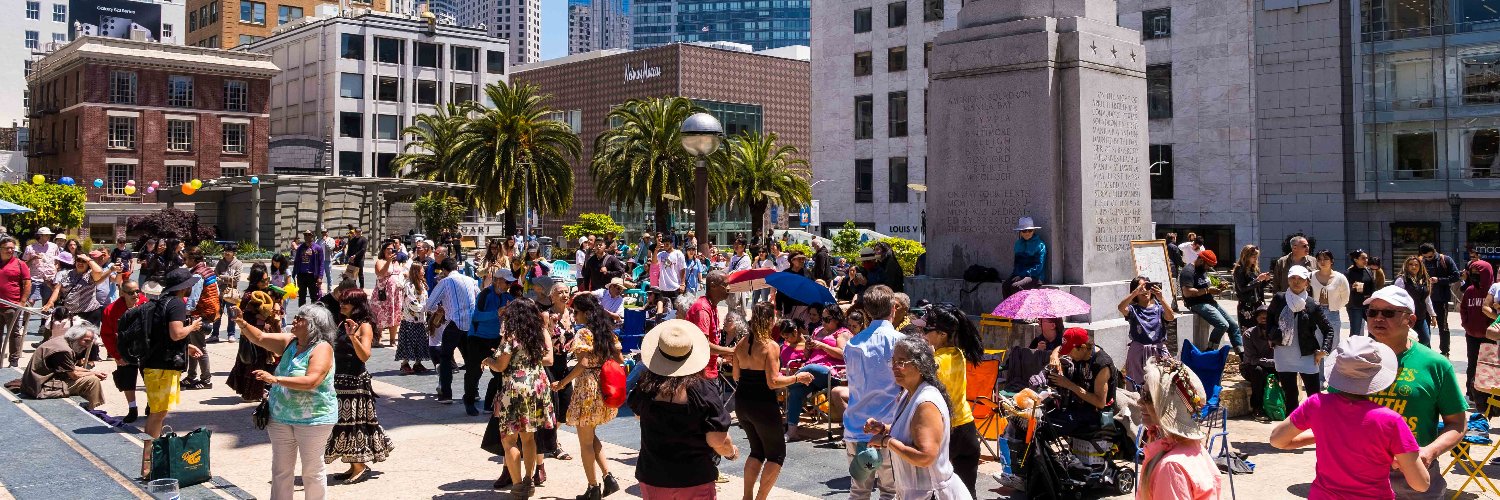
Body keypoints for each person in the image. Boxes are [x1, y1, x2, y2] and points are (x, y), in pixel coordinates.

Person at [1270, 336, 1430, 499]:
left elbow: (1277, 440)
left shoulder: (1316, 404)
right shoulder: (1391, 421)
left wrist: (1325, 435)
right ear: (1377, 374)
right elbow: (1421, 484)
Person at [1363, 285, 1467, 499]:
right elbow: (1333, 413)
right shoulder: (1353, 359)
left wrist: (1430, 452)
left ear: (1410, 320)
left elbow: (1457, 423)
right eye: (1373, 312)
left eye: (1388, 313)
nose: (1378, 318)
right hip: (1360, 473)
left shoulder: (1435, 364)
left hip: (1414, 474)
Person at [237, 303, 339, 500]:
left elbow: (312, 381)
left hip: (314, 419)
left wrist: (275, 380)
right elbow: (259, 338)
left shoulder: (322, 348)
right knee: (281, 470)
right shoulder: (291, 342)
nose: (293, 320)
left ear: (313, 325)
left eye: (299, 318)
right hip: (280, 417)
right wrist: (242, 323)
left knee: (311, 471)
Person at [629, 319, 738, 499]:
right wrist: (731, 452)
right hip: (694, 478)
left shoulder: (646, 387)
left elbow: (639, 414)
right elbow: (717, 440)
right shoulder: (703, 391)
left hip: (653, 475)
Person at [863, 336, 972, 500]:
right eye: (893, 361)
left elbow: (925, 457)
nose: (894, 367)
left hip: (932, 495)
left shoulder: (926, 402)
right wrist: (885, 428)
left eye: (901, 362)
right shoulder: (910, 393)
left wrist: (886, 441)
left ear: (920, 365)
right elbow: (911, 433)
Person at [733, 303, 814, 500]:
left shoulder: (741, 343)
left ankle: (747, 497)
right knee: (776, 455)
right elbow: (773, 382)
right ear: (770, 320)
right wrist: (798, 378)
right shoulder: (770, 346)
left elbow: (736, 376)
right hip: (763, 404)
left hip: (742, 402)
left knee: (757, 451)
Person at [480, 298, 555, 499]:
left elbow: (502, 365)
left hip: (515, 390)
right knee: (529, 437)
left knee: (510, 440)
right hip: (537, 387)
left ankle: (518, 486)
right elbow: (548, 358)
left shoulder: (511, 337)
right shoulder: (538, 335)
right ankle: (529, 480)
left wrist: (489, 361)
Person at [551, 290, 623, 498]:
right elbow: (619, 359)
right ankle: (608, 477)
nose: (574, 316)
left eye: (576, 312)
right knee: (590, 435)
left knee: (585, 442)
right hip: (603, 384)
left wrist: (563, 382)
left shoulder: (584, 333)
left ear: (585, 313)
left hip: (588, 388)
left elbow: (582, 363)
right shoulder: (607, 332)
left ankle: (593, 488)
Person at [139, 268, 206, 478]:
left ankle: (149, 462)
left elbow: (162, 336)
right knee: (158, 414)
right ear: (183, 287)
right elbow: (176, 333)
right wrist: (193, 327)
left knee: (157, 412)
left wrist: (186, 348)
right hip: (163, 368)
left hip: (153, 363)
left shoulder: (162, 301)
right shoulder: (177, 304)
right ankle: (148, 464)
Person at [324, 288, 395, 481]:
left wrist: (353, 337)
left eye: (346, 302)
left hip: (354, 382)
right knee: (341, 424)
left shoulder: (365, 326)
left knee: (354, 425)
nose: (341, 305)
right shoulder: (341, 322)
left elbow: (365, 355)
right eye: (341, 302)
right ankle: (352, 464)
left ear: (357, 305)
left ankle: (360, 465)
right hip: (339, 381)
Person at [844, 285, 905, 499]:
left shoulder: (852, 343)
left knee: (859, 491)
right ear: (893, 308)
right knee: (891, 490)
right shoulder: (899, 341)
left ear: (867, 312)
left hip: (855, 424)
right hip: (887, 428)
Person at [917, 304, 984, 497]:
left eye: (926, 330)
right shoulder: (958, 354)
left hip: (946, 432)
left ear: (941, 333)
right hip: (967, 429)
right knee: (967, 493)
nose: (922, 333)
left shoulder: (936, 361)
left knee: (932, 492)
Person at [1135, 357, 1221, 499]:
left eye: (1147, 396)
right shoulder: (1195, 448)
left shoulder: (1171, 467)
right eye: (1141, 392)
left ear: (1167, 405)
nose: (1139, 401)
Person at [1267, 265, 1335, 412]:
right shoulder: (1279, 299)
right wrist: (1271, 336)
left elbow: (1328, 329)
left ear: (1307, 283)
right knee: (1290, 396)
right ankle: (1291, 431)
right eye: (1292, 278)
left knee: (1314, 397)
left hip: (1307, 356)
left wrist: (1324, 351)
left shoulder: (1312, 304)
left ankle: (1316, 428)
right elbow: (1269, 320)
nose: (1296, 282)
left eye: (1300, 279)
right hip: (1284, 355)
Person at [784, 305, 852, 440]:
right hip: (812, 373)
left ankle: (788, 382)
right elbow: (807, 355)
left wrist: (823, 346)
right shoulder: (817, 330)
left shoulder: (842, 333)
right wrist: (808, 348)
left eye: (828, 319)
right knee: (796, 392)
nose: (824, 322)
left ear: (837, 319)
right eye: (823, 319)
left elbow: (843, 354)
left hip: (831, 372)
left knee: (811, 369)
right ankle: (792, 431)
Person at [425, 258, 479, 404]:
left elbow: (429, 305)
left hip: (454, 323)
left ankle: (446, 394)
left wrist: (439, 308)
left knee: (445, 357)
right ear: (457, 267)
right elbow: (478, 297)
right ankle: (473, 392)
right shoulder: (470, 280)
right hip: (471, 324)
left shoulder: (445, 282)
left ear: (444, 270)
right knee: (471, 359)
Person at [1045, 328, 1117, 435]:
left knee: (1052, 426)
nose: (1068, 355)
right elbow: (1059, 348)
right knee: (1043, 418)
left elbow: (1100, 403)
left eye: (1070, 351)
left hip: (1096, 414)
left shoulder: (1101, 365)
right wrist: (1054, 356)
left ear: (1082, 348)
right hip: (1079, 406)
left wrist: (1068, 385)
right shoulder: (1080, 352)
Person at [20, 323, 106, 410]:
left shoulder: (61, 340)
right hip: (40, 387)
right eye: (86, 341)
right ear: (75, 337)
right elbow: (73, 375)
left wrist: (93, 372)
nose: (87, 346)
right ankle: (91, 410)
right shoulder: (64, 350)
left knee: (90, 377)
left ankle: (89, 407)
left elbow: (69, 367)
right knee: (92, 380)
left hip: (33, 383)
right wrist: (93, 374)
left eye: (90, 342)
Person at [467, 269, 516, 416]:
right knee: (474, 372)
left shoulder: (508, 296)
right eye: (507, 282)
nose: (509, 285)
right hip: (478, 337)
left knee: (501, 372)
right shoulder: (485, 294)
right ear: (497, 280)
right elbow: (475, 317)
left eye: (510, 282)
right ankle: (469, 401)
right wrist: (497, 312)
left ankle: (489, 403)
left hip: (497, 338)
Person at [100, 279, 147, 420]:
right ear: (122, 293)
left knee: (150, 379)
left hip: (145, 349)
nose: (135, 295)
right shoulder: (111, 310)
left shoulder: (146, 304)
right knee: (127, 380)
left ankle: (151, 404)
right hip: (124, 350)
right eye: (131, 292)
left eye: (137, 291)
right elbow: (106, 335)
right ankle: (132, 408)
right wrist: (116, 355)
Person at [1180, 250, 1242, 353]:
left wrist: (1218, 288)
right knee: (1222, 325)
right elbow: (1187, 292)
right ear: (1200, 260)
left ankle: (1242, 355)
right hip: (1196, 303)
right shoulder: (1188, 271)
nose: (1208, 268)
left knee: (1233, 326)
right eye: (1208, 265)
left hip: (1210, 301)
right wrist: (1207, 290)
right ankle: (1210, 351)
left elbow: (1204, 287)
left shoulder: (1202, 270)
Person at [1120, 276, 1176, 387]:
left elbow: (1170, 317)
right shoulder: (1133, 310)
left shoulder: (1159, 308)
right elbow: (1121, 307)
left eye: (1147, 286)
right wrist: (1134, 293)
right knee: (1138, 385)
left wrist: (1161, 298)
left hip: (1158, 351)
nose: (1145, 290)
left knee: (1163, 383)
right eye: (1141, 287)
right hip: (1138, 352)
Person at [685, 271, 736, 381]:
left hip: (710, 371)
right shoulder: (703, 309)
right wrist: (731, 350)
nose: (729, 288)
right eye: (725, 284)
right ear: (713, 286)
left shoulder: (711, 306)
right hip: (701, 375)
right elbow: (704, 345)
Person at [182, 247, 220, 390]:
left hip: (199, 315)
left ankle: (206, 379)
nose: (184, 262)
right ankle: (191, 376)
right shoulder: (208, 270)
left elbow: (194, 298)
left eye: (186, 259)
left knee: (199, 346)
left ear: (193, 259)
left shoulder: (198, 275)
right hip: (208, 312)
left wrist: (185, 314)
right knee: (193, 345)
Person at [1460, 259, 1495, 402]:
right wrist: (1466, 325)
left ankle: (1487, 395)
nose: (1475, 276)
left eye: (1478, 273)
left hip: (1489, 336)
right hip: (1472, 335)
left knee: (1488, 366)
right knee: (1472, 364)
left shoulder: (1493, 291)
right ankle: (1470, 392)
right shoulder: (1469, 291)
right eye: (1473, 273)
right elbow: (1463, 310)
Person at [44, 251, 107, 326]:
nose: (80, 263)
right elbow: (57, 289)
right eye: (78, 260)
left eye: (84, 261)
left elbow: (99, 271)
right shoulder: (67, 274)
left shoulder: (90, 275)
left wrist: (88, 259)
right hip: (71, 314)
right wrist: (51, 301)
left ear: (88, 264)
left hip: (89, 313)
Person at [1420, 243, 1461, 356]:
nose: (1428, 259)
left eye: (1430, 256)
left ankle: (1444, 351)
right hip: (1424, 299)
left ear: (1434, 252)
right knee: (1424, 325)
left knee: (1442, 326)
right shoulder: (1421, 261)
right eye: (1425, 257)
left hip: (1441, 299)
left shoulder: (1445, 259)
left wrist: (1439, 280)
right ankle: (1426, 350)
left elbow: (1456, 276)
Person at [1239, 304, 1276, 422]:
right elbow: (1252, 359)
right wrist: (1273, 362)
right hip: (1252, 367)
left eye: (1267, 316)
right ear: (1256, 318)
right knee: (1258, 371)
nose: (1264, 318)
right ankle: (1257, 408)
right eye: (1261, 316)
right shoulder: (1248, 334)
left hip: (1274, 364)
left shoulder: (1277, 332)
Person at [395, 258, 431, 375]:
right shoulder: (409, 285)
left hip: (421, 319)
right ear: (416, 271)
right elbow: (412, 302)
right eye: (422, 270)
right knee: (408, 342)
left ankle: (418, 363)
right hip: (410, 319)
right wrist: (425, 308)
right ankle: (405, 363)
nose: (424, 272)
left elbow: (425, 299)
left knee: (420, 341)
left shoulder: (422, 284)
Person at [0, 236, 31, 368]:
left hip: (12, 305)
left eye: (12, 248)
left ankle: (14, 360)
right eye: (7, 248)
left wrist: (22, 302)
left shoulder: (20, 264)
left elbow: (27, 283)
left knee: (14, 334)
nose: (10, 251)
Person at [1394, 256, 1438, 347]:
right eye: (1411, 264)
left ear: (1420, 266)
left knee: (1425, 339)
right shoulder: (1401, 280)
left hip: (1421, 316)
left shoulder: (1423, 280)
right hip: (1407, 317)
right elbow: (1396, 298)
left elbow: (1427, 299)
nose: (1413, 267)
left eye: (1416, 265)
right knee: (1407, 341)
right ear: (1406, 266)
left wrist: (1433, 315)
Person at [22, 227, 59, 335]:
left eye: (49, 235)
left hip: (49, 278)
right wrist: (33, 258)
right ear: (40, 236)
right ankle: (23, 325)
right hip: (35, 277)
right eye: (46, 235)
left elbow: (57, 261)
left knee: (47, 302)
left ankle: (43, 325)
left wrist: (55, 270)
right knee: (30, 302)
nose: (48, 237)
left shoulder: (54, 246)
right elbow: (24, 264)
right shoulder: (30, 248)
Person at [370, 242, 405, 349]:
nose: (391, 251)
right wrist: (388, 261)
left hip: (395, 294)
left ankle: (392, 340)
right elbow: (381, 273)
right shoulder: (380, 261)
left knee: (394, 315)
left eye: (393, 249)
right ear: (384, 250)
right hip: (383, 294)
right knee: (380, 316)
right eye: (388, 249)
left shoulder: (397, 262)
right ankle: (377, 339)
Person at [1310, 250, 1351, 340]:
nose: (1322, 262)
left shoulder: (1340, 278)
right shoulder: (1311, 276)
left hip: (1333, 313)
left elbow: (1345, 298)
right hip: (1315, 313)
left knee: (1333, 343)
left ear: (1332, 261)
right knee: (1317, 342)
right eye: (1319, 259)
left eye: (1326, 259)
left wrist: (1335, 306)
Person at [1004, 217, 1045, 297]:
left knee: (1015, 286)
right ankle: (1008, 308)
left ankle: (1025, 305)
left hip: (1035, 277)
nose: (1027, 233)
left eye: (1030, 230)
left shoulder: (1040, 245)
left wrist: (1023, 274)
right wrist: (1016, 275)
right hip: (1020, 274)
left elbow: (1039, 266)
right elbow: (1017, 263)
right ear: (1020, 232)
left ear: (1033, 231)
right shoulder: (1018, 244)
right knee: (1005, 285)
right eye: (1024, 231)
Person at [1232, 244, 1272, 327]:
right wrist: (1257, 280)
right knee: (1247, 332)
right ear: (1246, 257)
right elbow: (1242, 288)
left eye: (1256, 257)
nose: (1256, 259)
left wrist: (1266, 280)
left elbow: (1259, 287)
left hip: (1257, 304)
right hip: (1246, 305)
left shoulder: (1254, 269)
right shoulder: (1239, 269)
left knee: (1260, 330)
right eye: (1253, 257)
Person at [211, 245, 243, 343]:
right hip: (220, 292)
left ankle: (231, 334)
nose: (226, 253)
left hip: (231, 293)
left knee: (232, 314)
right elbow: (215, 275)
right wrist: (226, 278)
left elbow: (236, 279)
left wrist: (222, 277)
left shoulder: (238, 264)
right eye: (225, 251)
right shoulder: (220, 263)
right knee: (217, 313)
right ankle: (215, 334)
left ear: (234, 253)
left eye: (229, 251)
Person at [1347, 249, 1378, 336]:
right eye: (1363, 258)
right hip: (1355, 305)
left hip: (1368, 305)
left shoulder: (1368, 271)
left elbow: (1373, 287)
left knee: (1373, 329)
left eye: (1367, 258)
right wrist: (1352, 286)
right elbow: (1344, 288)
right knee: (1356, 331)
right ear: (1356, 260)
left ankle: (1371, 347)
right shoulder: (1349, 272)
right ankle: (1354, 348)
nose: (1366, 260)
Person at [294, 230, 326, 307]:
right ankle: (301, 315)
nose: (307, 236)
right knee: (301, 297)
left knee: (314, 297)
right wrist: (294, 274)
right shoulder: (300, 248)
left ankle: (313, 314)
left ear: (312, 236)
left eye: (309, 235)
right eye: (305, 235)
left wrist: (320, 277)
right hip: (301, 275)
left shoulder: (318, 248)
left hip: (312, 276)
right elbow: (296, 261)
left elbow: (321, 263)